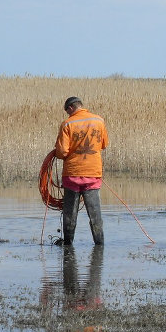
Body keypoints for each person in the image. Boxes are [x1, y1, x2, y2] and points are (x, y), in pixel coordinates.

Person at [54, 97, 109, 245]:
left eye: (67, 111)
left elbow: (62, 152)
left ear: (71, 108)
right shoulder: (99, 121)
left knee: (70, 214)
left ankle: (68, 244)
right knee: (95, 214)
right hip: (93, 174)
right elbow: (104, 144)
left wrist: (57, 152)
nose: (67, 114)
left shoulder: (67, 124)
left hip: (72, 175)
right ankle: (99, 245)